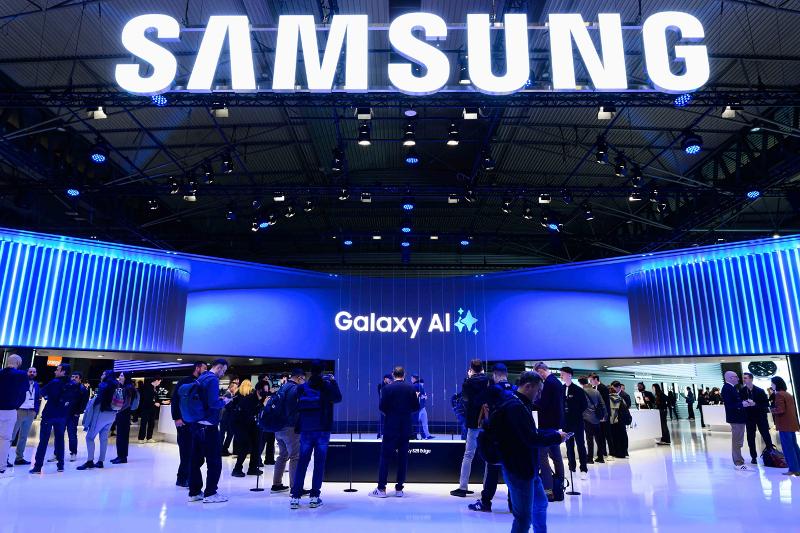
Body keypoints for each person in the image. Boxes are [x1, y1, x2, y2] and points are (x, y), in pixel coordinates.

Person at [492, 371, 569, 533]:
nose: (539, 395)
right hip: (518, 470)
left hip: (528, 468)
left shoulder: (520, 403)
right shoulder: (515, 407)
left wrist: (553, 434)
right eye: (538, 391)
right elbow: (530, 438)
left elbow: (530, 433)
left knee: (541, 504)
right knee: (523, 518)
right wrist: (555, 437)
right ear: (528, 387)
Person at [290, 362, 342, 509]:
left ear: (309, 372)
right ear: (322, 371)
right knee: (319, 464)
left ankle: (295, 497)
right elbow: (338, 398)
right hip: (323, 430)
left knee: (302, 463)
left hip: (306, 429)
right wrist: (333, 381)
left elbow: (297, 404)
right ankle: (314, 497)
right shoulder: (327, 386)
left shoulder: (302, 387)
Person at [468, 362, 515, 513]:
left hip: (496, 437)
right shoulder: (514, 389)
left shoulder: (492, 389)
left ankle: (485, 502)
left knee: (492, 470)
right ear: (506, 374)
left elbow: (475, 401)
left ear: (494, 375)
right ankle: (513, 504)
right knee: (511, 472)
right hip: (512, 437)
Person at [370, 366, 420, 498]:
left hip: (390, 427)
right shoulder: (411, 388)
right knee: (403, 459)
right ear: (404, 374)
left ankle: (381, 489)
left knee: (385, 458)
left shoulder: (387, 388)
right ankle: (399, 489)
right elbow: (416, 407)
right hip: (405, 428)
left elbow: (382, 407)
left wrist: (391, 414)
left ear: (393, 374)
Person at [188, 358, 232, 503]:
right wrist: (224, 401)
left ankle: (194, 492)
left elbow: (205, 399)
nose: (223, 374)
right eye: (223, 371)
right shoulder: (213, 380)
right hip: (209, 426)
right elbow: (213, 403)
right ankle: (211, 493)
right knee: (214, 461)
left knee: (195, 460)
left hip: (197, 424)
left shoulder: (202, 377)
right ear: (219, 367)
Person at [30, 363, 78, 474]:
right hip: (62, 416)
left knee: (43, 441)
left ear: (63, 372)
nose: (55, 371)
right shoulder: (72, 384)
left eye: (57, 369)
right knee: (60, 440)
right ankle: (60, 465)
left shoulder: (54, 382)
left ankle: (37, 467)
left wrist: (49, 396)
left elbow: (42, 392)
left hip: (49, 415)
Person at [451, 359, 488, 497]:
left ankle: (463, 487)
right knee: (488, 456)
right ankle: (487, 488)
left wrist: (469, 378)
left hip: (473, 422)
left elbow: (465, 400)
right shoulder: (488, 381)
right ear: (482, 368)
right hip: (487, 422)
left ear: (471, 369)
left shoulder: (468, 382)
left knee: (468, 455)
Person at [533, 362, 566, 502]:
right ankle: (559, 487)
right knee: (556, 456)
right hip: (554, 425)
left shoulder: (549, 383)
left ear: (541, 370)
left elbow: (544, 404)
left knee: (542, 457)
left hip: (546, 426)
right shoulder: (557, 382)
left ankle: (548, 491)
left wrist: (532, 401)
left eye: (537, 373)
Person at [171, 361, 207, 486]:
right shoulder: (185, 382)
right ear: (197, 368)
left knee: (197, 453)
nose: (206, 370)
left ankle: (188, 477)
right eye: (204, 368)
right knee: (186, 451)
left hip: (196, 423)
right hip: (184, 422)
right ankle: (182, 478)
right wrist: (177, 418)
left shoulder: (202, 383)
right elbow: (175, 399)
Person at [77, 371, 120, 470]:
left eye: (103, 374)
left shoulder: (103, 384)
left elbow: (99, 399)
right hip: (112, 414)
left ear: (107, 376)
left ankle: (90, 461)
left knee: (89, 437)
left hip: (101, 413)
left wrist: (92, 401)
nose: (101, 375)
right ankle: (101, 461)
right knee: (104, 438)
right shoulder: (116, 385)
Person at [272, 368, 305, 494]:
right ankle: (295, 488)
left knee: (282, 455)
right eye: (303, 379)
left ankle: (276, 485)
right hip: (290, 427)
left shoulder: (282, 387)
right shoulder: (295, 389)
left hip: (278, 427)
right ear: (299, 378)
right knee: (295, 456)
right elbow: (296, 408)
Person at [1, 354, 28, 476]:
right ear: (18, 363)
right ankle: (1, 466)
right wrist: (16, 406)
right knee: (5, 439)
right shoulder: (21, 374)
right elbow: (23, 394)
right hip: (10, 410)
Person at [560, 367, 589, 481]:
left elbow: (584, 405)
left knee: (580, 445)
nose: (561, 376)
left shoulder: (578, 390)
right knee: (569, 446)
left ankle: (583, 469)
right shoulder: (561, 389)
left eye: (563, 374)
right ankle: (571, 467)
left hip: (577, 422)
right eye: (561, 374)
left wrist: (575, 413)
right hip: (565, 423)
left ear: (569, 375)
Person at [231, 379, 263, 478]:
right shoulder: (250, 398)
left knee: (254, 445)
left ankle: (252, 468)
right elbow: (247, 414)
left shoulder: (239, 395)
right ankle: (237, 469)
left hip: (247, 425)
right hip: (242, 425)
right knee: (245, 447)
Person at [740, 372, 774, 464]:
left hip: (760, 416)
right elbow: (740, 403)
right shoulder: (742, 391)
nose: (744, 380)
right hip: (749, 417)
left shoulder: (760, 391)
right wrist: (744, 404)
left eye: (746, 378)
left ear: (751, 379)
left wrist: (755, 404)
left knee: (766, 435)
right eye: (743, 378)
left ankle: (772, 454)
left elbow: (766, 405)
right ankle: (753, 457)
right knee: (750, 437)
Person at [770, 376, 800, 476]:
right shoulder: (788, 394)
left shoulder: (779, 395)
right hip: (791, 424)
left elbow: (780, 409)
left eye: (772, 383)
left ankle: (793, 469)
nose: (771, 385)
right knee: (794, 446)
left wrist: (771, 410)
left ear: (776, 384)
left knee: (788, 448)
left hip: (784, 425)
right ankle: (797, 467)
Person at [12, 366, 40, 466]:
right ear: (27, 373)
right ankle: (3, 458)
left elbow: (37, 398)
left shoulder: (36, 385)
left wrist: (35, 411)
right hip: (19, 411)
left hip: (30, 412)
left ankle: (19, 458)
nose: (32, 373)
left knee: (23, 437)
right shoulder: (21, 383)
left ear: (36, 374)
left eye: (34, 372)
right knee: (12, 435)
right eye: (30, 371)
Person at [721, 371, 748, 470]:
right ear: (730, 378)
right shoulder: (727, 388)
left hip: (738, 418)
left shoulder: (731, 388)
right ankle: (738, 461)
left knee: (738, 440)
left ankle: (739, 459)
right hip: (736, 418)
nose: (738, 378)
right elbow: (729, 405)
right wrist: (742, 404)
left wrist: (743, 403)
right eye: (736, 376)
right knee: (737, 440)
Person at [111, 373, 137, 465]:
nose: (119, 377)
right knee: (120, 435)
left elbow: (127, 403)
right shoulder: (122, 386)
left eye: (122, 376)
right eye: (120, 375)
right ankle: (120, 456)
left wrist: (119, 410)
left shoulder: (128, 388)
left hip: (124, 413)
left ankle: (123, 457)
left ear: (126, 377)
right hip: (121, 413)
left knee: (123, 436)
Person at [579, 376, 606, 463]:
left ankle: (590, 458)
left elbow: (579, 406)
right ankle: (600, 457)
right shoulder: (596, 391)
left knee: (589, 439)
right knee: (599, 438)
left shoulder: (581, 391)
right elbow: (602, 404)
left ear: (580, 383)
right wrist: (604, 416)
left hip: (586, 418)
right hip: (596, 418)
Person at [590, 374, 614, 460]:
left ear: (596, 379)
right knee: (600, 435)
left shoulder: (603, 388)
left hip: (604, 415)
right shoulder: (593, 388)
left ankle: (611, 453)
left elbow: (606, 403)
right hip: (597, 416)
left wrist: (605, 415)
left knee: (608, 434)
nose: (590, 382)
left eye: (591, 380)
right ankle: (603, 453)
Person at [66, 371, 90, 462]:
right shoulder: (67, 386)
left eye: (76, 377)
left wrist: (78, 412)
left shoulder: (83, 389)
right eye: (72, 377)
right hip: (63, 413)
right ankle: (57, 453)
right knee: (59, 434)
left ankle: (73, 453)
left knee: (72, 434)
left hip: (73, 414)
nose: (73, 378)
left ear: (80, 379)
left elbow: (84, 402)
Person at [608, 381, 630, 458]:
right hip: (620, 420)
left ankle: (620, 452)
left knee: (617, 437)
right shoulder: (620, 398)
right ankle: (623, 452)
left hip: (615, 420)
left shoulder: (610, 398)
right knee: (622, 436)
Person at [137, 377, 162, 443]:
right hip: (146, 408)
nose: (159, 383)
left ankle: (149, 437)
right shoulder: (147, 387)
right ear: (156, 380)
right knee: (144, 423)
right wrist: (154, 403)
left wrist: (160, 402)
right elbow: (146, 399)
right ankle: (141, 438)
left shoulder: (155, 388)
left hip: (153, 409)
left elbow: (155, 398)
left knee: (151, 423)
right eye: (159, 381)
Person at [220, 379, 239, 455]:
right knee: (225, 434)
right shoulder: (227, 394)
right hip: (225, 418)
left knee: (228, 434)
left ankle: (223, 449)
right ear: (231, 387)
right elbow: (228, 406)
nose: (236, 389)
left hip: (226, 418)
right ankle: (222, 450)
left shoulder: (230, 394)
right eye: (235, 387)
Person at [412, 375, 433, 440]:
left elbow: (425, 397)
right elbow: (418, 395)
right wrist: (421, 395)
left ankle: (427, 435)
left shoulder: (422, 389)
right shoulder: (416, 387)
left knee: (425, 422)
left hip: (423, 408)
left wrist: (423, 396)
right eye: (421, 383)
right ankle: (417, 436)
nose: (422, 385)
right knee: (416, 423)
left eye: (422, 384)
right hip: (417, 409)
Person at [377, 374, 392, 438]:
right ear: (385, 378)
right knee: (382, 420)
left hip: (388, 405)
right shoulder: (381, 385)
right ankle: (380, 434)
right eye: (389, 379)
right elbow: (382, 394)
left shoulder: (388, 385)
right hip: (383, 405)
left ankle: (384, 433)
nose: (390, 380)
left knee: (386, 420)